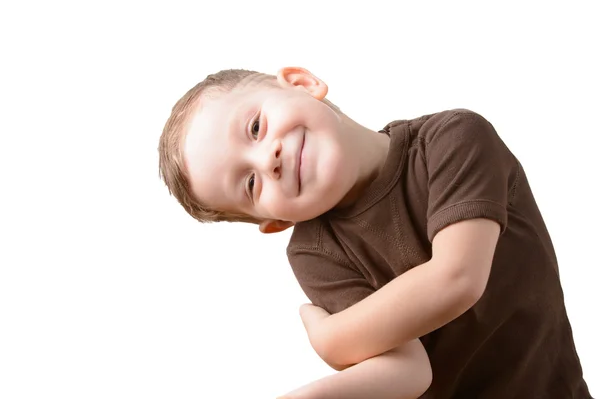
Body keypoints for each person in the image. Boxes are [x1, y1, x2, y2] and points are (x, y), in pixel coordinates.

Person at [158, 67, 592, 398]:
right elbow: (409, 371)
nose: (267, 158)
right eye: (250, 184)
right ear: (275, 222)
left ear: (302, 82)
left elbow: (458, 279)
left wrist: (330, 338)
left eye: (255, 127)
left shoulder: (453, 140)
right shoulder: (314, 251)